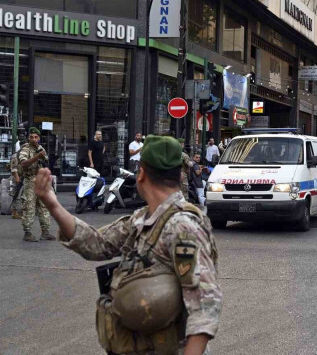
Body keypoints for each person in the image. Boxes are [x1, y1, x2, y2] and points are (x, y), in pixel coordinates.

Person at [33, 135, 222, 354]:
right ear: (179, 174)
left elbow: (205, 304)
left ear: (141, 174)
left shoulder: (184, 226)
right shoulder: (142, 219)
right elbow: (96, 244)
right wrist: (52, 203)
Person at [18, 127, 54, 242]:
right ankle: (27, 232)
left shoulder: (40, 148)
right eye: (31, 137)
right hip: (30, 181)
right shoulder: (25, 149)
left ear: (39, 138)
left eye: (36, 137)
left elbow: (46, 160)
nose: (33, 139)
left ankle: (45, 232)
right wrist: (37, 157)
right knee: (29, 207)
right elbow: (23, 163)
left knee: (44, 206)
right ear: (29, 138)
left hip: (41, 181)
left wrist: (42, 157)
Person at [9, 144, 24, 219]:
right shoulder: (15, 156)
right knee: (16, 195)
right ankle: (14, 212)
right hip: (17, 177)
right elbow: (13, 168)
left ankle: (21, 212)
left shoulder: (24, 155)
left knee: (22, 195)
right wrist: (17, 177)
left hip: (23, 177)